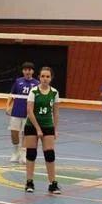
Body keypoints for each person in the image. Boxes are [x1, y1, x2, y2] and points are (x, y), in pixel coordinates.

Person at [24, 66, 61, 195]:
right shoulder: (34, 91)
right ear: (39, 77)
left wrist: (55, 129)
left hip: (48, 126)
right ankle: (29, 182)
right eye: (43, 76)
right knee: (31, 153)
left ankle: (52, 183)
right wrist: (38, 129)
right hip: (32, 125)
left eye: (47, 76)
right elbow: (29, 111)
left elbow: (56, 113)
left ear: (51, 78)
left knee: (50, 154)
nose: (45, 79)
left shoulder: (54, 93)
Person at [6, 61, 38, 163]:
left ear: (32, 71)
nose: (27, 72)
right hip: (16, 112)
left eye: (29, 70)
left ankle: (24, 153)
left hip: (29, 113)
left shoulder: (37, 84)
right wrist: (7, 106)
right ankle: (16, 152)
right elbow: (11, 95)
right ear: (23, 71)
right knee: (14, 133)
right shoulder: (18, 81)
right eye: (25, 70)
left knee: (26, 133)